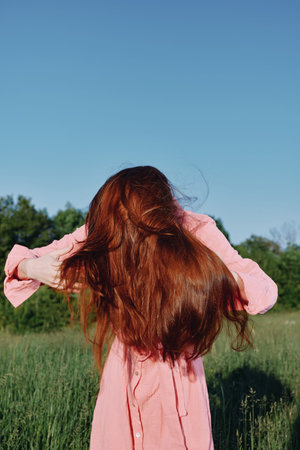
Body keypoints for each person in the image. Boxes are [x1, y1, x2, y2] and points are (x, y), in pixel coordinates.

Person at [4, 166, 278, 450]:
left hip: (177, 375)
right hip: (122, 374)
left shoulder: (194, 230)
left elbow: (264, 290)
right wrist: (33, 267)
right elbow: (24, 261)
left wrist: (204, 276)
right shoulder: (108, 226)